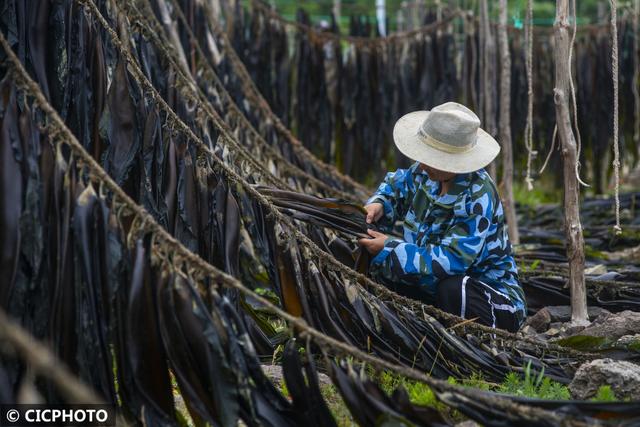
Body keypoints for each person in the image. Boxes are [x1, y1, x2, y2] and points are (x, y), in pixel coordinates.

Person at [358, 102, 526, 332]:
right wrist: (379, 204)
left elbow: (450, 261)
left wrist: (390, 248)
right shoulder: (425, 172)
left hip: (489, 297)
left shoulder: (477, 196)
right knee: (382, 273)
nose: (425, 164)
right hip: (432, 284)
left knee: (454, 289)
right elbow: (396, 186)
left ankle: (475, 345)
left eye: (435, 159)